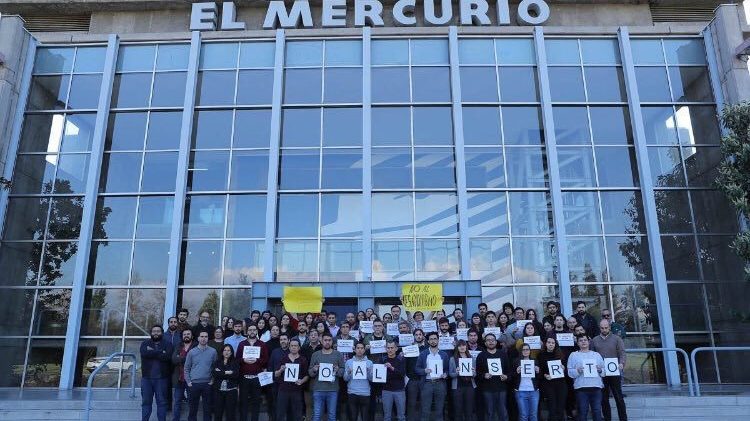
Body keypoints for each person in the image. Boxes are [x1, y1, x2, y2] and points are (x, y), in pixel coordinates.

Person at [591, 320, 627, 421]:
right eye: (602, 328)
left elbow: (622, 353)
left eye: (606, 328)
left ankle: (623, 419)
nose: (604, 330)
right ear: (599, 327)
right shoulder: (594, 340)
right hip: (601, 373)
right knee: (604, 399)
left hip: (614, 372)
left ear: (609, 327)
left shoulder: (617, 339)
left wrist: (621, 363)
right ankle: (607, 418)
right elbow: (592, 355)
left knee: (618, 398)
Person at [309, 332, 345, 421]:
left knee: (332, 416)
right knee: (316, 416)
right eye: (325, 340)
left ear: (332, 342)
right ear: (321, 341)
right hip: (318, 389)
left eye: (329, 340)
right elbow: (310, 372)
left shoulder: (338, 354)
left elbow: (342, 371)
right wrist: (314, 369)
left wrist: (337, 371)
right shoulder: (315, 354)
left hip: (333, 390)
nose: (327, 342)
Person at [567, 334, 605, 421]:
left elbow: (604, 371)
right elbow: (569, 372)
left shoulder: (596, 355)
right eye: (581, 340)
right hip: (581, 388)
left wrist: (600, 370)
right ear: (577, 343)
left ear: (589, 342)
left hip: (596, 387)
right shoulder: (573, 355)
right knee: (582, 412)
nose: (583, 342)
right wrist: (578, 371)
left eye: (585, 340)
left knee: (597, 411)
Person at [236, 324, 269, 421]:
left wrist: (257, 360)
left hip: (257, 378)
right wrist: (244, 360)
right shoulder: (242, 344)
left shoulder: (262, 344)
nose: (252, 331)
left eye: (254, 330)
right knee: (243, 402)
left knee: (256, 402)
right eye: (250, 330)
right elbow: (237, 359)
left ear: (257, 331)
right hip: (244, 378)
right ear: (247, 331)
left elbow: (266, 359)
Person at [141, 325, 173, 421]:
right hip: (146, 379)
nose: (156, 333)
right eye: (154, 331)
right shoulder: (145, 343)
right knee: (146, 402)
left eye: (158, 331)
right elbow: (144, 354)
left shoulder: (168, 344)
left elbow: (167, 357)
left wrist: (153, 352)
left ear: (162, 333)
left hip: (161, 379)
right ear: (151, 333)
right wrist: (160, 352)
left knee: (162, 403)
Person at [475, 333, 510, 421]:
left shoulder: (503, 354)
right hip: (487, 388)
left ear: (496, 342)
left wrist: (506, 376)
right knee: (490, 412)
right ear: (485, 343)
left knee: (503, 412)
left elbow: (509, 371)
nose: (491, 342)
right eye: (488, 340)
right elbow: (477, 373)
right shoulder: (481, 356)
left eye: (492, 340)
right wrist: (484, 375)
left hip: (501, 388)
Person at [415, 331, 450, 421]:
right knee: (425, 410)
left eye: (435, 339)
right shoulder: (423, 354)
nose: (433, 341)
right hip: (427, 384)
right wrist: (424, 370)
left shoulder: (444, 355)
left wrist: (445, 374)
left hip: (440, 383)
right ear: (428, 341)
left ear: (438, 340)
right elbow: (417, 369)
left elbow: (447, 369)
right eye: (431, 339)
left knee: (439, 409)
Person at [184, 331, 218, 421]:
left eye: (206, 336)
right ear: (198, 338)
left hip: (207, 384)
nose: (203, 338)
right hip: (194, 384)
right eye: (202, 336)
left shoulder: (213, 351)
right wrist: (189, 382)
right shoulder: (191, 352)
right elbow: (186, 368)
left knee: (207, 409)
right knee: (193, 409)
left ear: (208, 338)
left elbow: (215, 368)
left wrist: (212, 380)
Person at [274, 338, 309, 421]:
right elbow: (276, 374)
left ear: (299, 348)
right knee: (280, 414)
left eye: (295, 346)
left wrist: (301, 381)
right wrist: (281, 370)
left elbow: (307, 376)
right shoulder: (283, 359)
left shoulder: (303, 360)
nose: (293, 347)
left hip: (296, 391)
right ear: (289, 347)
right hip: (283, 390)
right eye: (292, 346)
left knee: (296, 415)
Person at [537, 337, 567, 421]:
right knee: (552, 407)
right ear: (545, 344)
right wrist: (544, 375)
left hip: (561, 383)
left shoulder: (560, 354)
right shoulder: (541, 355)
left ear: (555, 344)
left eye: (553, 343)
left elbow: (566, 370)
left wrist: (564, 368)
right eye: (549, 342)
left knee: (560, 407)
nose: (551, 344)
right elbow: (539, 371)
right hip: (548, 384)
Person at [511, 343, 541, 421]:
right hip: (520, 391)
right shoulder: (516, 361)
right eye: (523, 349)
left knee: (533, 415)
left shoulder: (535, 361)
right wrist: (516, 372)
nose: (525, 351)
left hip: (534, 391)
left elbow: (540, 377)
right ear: (521, 351)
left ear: (530, 351)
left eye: (527, 349)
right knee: (523, 415)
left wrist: (538, 371)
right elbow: (511, 377)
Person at [343, 342, 372, 421]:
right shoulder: (349, 362)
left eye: (362, 348)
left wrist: (369, 372)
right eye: (358, 348)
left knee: (365, 418)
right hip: (352, 392)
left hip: (365, 393)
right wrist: (348, 372)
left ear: (364, 350)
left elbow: (371, 379)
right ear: (354, 350)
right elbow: (345, 379)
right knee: (353, 418)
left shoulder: (369, 363)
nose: (360, 350)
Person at [448, 339, 476, 421]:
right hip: (457, 387)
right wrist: (456, 372)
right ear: (457, 347)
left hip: (470, 387)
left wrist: (473, 372)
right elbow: (450, 374)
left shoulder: (471, 358)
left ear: (466, 347)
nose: (462, 347)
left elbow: (475, 374)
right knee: (458, 411)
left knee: (469, 411)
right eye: (459, 346)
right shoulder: (452, 359)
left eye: (463, 345)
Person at [172, 328, 195, 421]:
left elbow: (195, 360)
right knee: (177, 401)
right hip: (179, 379)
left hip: (191, 379)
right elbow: (173, 359)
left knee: (191, 402)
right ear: (182, 336)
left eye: (188, 334)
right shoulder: (178, 346)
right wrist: (186, 358)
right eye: (184, 334)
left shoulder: (196, 346)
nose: (186, 335)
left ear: (192, 336)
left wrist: (180, 358)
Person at [381, 340, 407, 421]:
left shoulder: (401, 359)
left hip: (399, 390)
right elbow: (379, 376)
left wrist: (392, 368)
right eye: (388, 348)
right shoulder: (383, 359)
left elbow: (402, 374)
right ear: (385, 349)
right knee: (387, 416)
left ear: (396, 349)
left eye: (392, 348)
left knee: (401, 416)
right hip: (386, 391)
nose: (390, 350)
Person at [212, 344, 239, 421]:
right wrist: (228, 372)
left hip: (231, 391)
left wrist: (222, 372)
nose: (226, 352)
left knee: (230, 415)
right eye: (225, 350)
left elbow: (235, 375)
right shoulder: (217, 362)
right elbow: (215, 374)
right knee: (217, 414)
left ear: (231, 352)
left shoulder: (235, 362)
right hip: (218, 391)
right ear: (222, 352)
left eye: (228, 350)